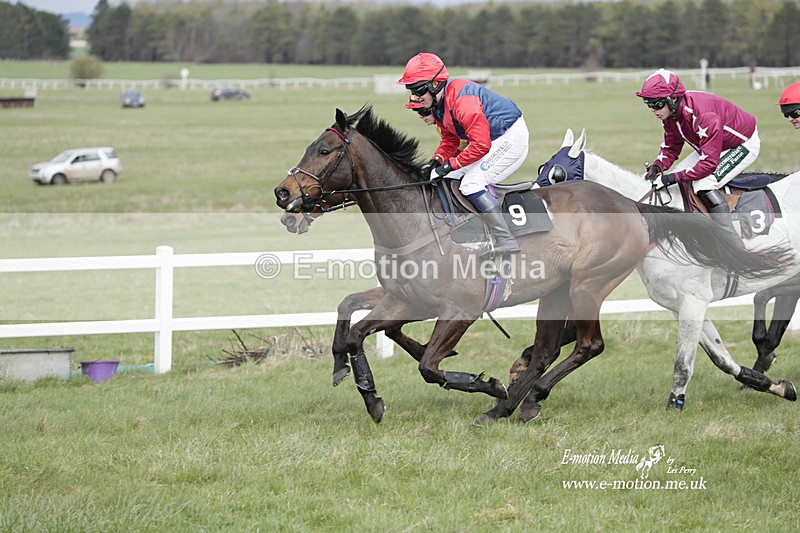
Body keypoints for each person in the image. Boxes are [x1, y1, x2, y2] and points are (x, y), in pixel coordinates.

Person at [398, 52, 529, 255]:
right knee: (446, 178)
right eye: (411, 90)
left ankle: (506, 238)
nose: (416, 97)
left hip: (509, 137)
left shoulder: (462, 101)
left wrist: (449, 165)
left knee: (471, 183)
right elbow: (450, 140)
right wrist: (435, 162)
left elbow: (481, 146)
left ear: (435, 85)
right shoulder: (438, 104)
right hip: (489, 140)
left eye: (418, 90)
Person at [638, 68, 759, 234]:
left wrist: (671, 178)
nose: (653, 109)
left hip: (742, 144)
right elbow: (672, 146)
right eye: (648, 104)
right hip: (713, 144)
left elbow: (708, 164)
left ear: (673, 99)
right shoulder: (671, 114)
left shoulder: (704, 116)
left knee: (703, 183)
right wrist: (658, 166)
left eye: (656, 104)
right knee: (677, 180)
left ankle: (730, 238)